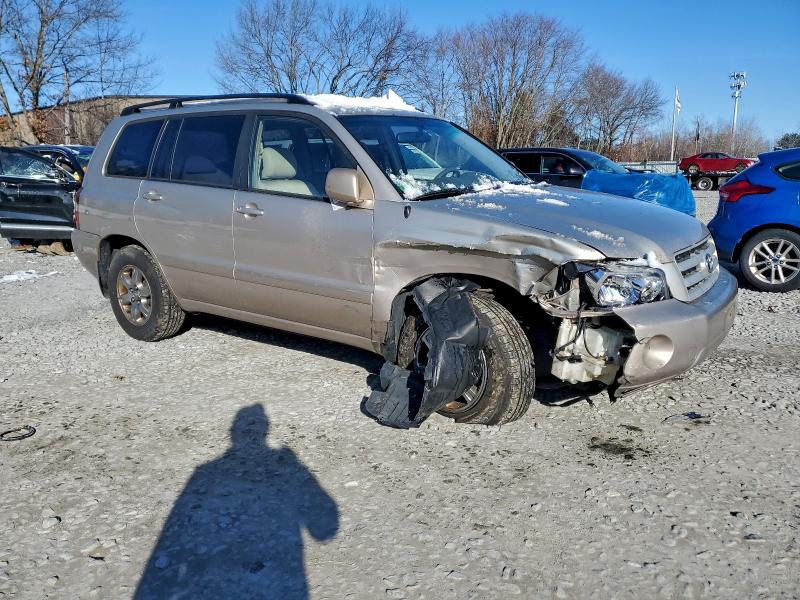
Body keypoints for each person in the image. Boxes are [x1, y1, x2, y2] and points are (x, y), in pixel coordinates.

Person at [134, 404, 339, 600]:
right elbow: (325, 530)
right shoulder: (289, 466)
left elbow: (172, 533)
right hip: (281, 579)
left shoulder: (205, 472)